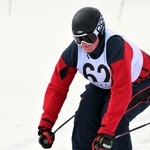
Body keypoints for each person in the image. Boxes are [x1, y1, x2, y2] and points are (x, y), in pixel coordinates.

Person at [38, 7, 150, 150]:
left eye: (88, 38)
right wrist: (46, 125)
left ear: (100, 31)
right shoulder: (74, 52)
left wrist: (107, 131)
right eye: (78, 39)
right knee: (84, 115)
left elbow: (121, 91)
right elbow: (57, 88)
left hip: (142, 81)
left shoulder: (115, 48)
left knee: (115, 120)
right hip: (106, 84)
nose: (84, 44)